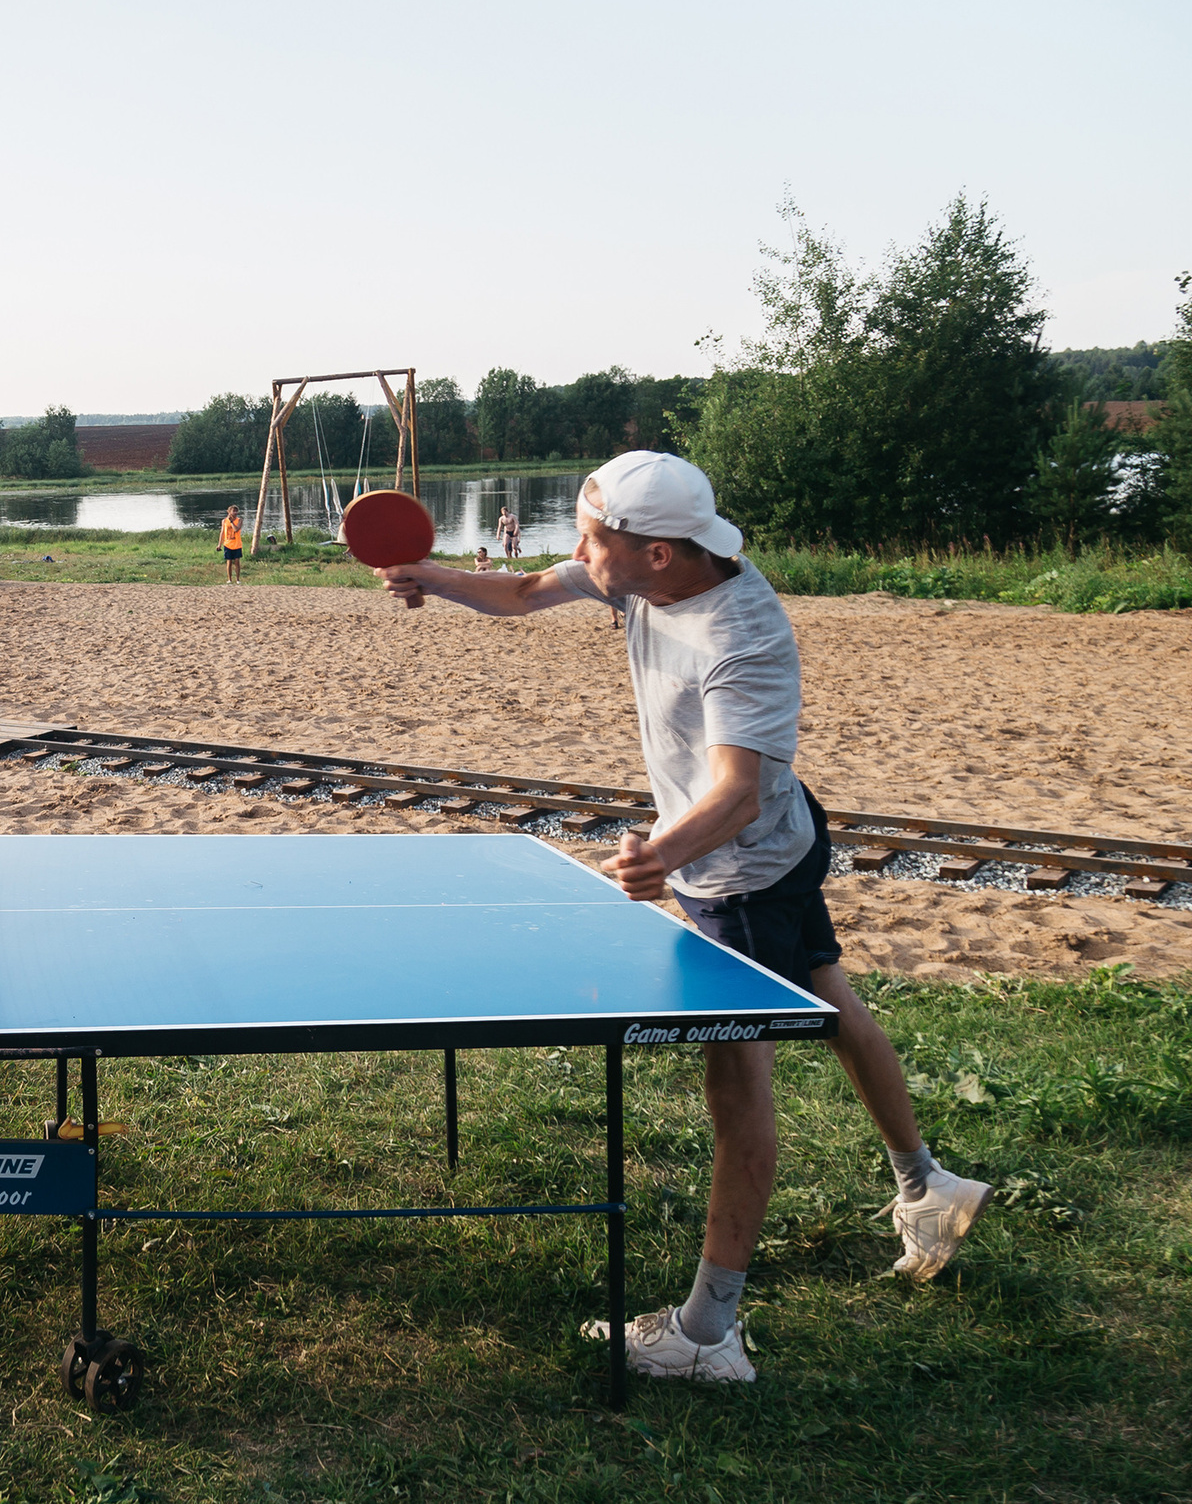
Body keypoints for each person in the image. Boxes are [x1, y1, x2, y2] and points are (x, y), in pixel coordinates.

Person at [375, 452, 990, 1384]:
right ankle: (925, 1183)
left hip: (740, 871)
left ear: (659, 553)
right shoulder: (647, 569)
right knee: (826, 993)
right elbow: (530, 587)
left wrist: (662, 855)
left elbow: (737, 792)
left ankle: (708, 1334)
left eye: (594, 538)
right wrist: (437, 579)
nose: (579, 553)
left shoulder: (741, 636)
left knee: (738, 1096)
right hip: (777, 846)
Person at [219, 505, 245, 583]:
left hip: (237, 544)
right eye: (233, 511)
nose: (235, 513)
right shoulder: (224, 521)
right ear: (229, 512)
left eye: (236, 511)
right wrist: (219, 544)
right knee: (229, 562)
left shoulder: (239, 520)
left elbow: (236, 529)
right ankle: (229, 579)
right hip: (227, 544)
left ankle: (237, 579)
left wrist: (231, 522)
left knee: (237, 561)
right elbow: (222, 533)